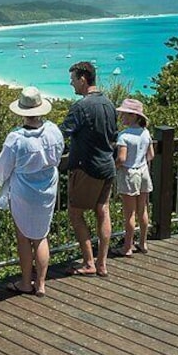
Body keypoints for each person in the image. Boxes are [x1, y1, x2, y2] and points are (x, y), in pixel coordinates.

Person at [0, 86, 64, 297]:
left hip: (23, 191)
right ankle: (41, 283)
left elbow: (2, 170)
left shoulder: (16, 138)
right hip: (48, 186)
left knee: (23, 236)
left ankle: (25, 281)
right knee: (41, 235)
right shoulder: (53, 131)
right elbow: (58, 158)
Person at [60, 61, 117, 277]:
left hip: (87, 168)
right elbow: (113, 136)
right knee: (103, 210)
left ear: (83, 79)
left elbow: (63, 132)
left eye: (73, 79)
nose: (71, 83)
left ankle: (88, 261)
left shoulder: (81, 107)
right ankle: (102, 263)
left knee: (75, 214)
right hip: (107, 166)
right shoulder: (109, 104)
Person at [112, 98, 154, 257]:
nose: (122, 117)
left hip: (129, 174)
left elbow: (122, 159)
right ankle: (143, 242)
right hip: (143, 172)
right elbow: (151, 155)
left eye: (125, 114)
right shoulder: (146, 133)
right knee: (142, 210)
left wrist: (113, 167)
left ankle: (127, 247)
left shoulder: (124, 136)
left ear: (134, 116)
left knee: (129, 213)